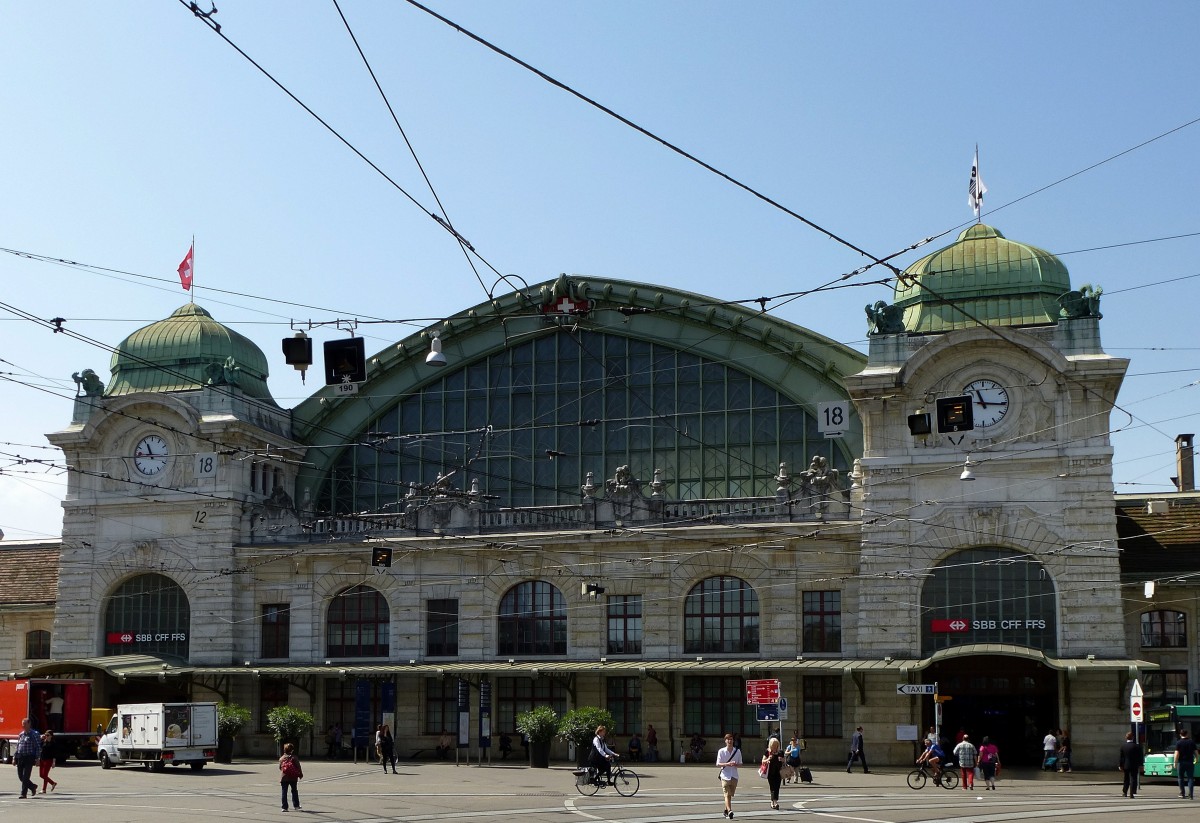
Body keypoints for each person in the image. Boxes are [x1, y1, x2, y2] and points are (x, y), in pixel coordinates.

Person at [716, 732, 742, 819]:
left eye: (731, 739)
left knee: (730, 795)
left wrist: (735, 765)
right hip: (725, 775)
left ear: (733, 741)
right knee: (727, 794)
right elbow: (718, 764)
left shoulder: (737, 751)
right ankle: (730, 810)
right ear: (725, 741)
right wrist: (727, 764)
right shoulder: (721, 751)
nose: (730, 741)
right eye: (728, 739)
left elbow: (740, 764)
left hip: (734, 776)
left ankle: (726, 810)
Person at [15, 717, 41, 799]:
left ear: (29, 724)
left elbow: (38, 747)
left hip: (29, 757)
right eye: (22, 724)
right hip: (21, 757)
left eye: (25, 724)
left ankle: (23, 794)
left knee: (26, 777)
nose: (23, 726)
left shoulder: (34, 734)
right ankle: (32, 786)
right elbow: (18, 746)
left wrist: (37, 758)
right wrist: (14, 757)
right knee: (20, 776)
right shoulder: (21, 734)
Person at [762, 736, 786, 810]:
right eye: (773, 745)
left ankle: (775, 801)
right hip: (770, 772)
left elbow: (784, 761)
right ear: (770, 745)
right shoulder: (768, 752)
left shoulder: (780, 752)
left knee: (777, 787)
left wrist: (782, 760)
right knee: (772, 787)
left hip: (778, 772)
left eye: (776, 745)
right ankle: (773, 802)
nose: (775, 747)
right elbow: (763, 761)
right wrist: (768, 759)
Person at [279, 741, 303, 812]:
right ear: (292, 750)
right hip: (293, 777)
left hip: (284, 777)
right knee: (294, 791)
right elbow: (298, 766)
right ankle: (296, 805)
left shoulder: (282, 758)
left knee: (284, 792)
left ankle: (284, 807)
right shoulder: (294, 757)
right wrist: (300, 774)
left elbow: (280, 768)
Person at [1118, 731, 1142, 798]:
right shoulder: (1137, 746)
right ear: (1133, 738)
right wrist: (1141, 765)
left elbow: (1121, 757)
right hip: (1134, 765)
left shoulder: (1123, 746)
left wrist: (1120, 765)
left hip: (1126, 765)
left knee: (1126, 779)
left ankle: (1125, 792)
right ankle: (1132, 793)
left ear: (1126, 738)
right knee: (1133, 779)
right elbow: (1140, 756)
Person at [1175, 727, 1197, 799]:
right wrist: (1196, 759)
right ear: (1187, 734)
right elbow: (1196, 752)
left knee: (1180, 778)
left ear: (1180, 734)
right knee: (1190, 778)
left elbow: (1177, 753)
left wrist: (1175, 762)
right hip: (1190, 762)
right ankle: (1191, 794)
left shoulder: (1178, 742)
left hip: (1181, 762)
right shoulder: (1191, 742)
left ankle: (1182, 793)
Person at [38, 729, 58, 793]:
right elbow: (39, 748)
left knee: (44, 775)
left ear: (51, 736)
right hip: (42, 759)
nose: (46, 736)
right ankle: (52, 783)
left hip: (48, 760)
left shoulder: (53, 743)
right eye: (45, 735)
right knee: (41, 775)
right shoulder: (43, 741)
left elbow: (54, 754)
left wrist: (54, 762)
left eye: (47, 735)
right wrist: (41, 738)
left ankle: (44, 789)